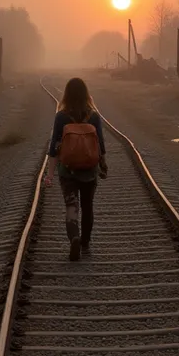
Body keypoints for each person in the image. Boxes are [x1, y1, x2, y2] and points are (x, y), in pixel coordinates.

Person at [44, 77, 107, 261]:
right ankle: (86, 242)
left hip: (68, 171)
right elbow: (101, 146)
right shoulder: (94, 116)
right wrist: (103, 164)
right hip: (89, 171)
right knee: (88, 206)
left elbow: (54, 147)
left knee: (71, 207)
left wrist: (49, 175)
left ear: (67, 94)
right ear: (86, 94)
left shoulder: (61, 116)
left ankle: (75, 238)